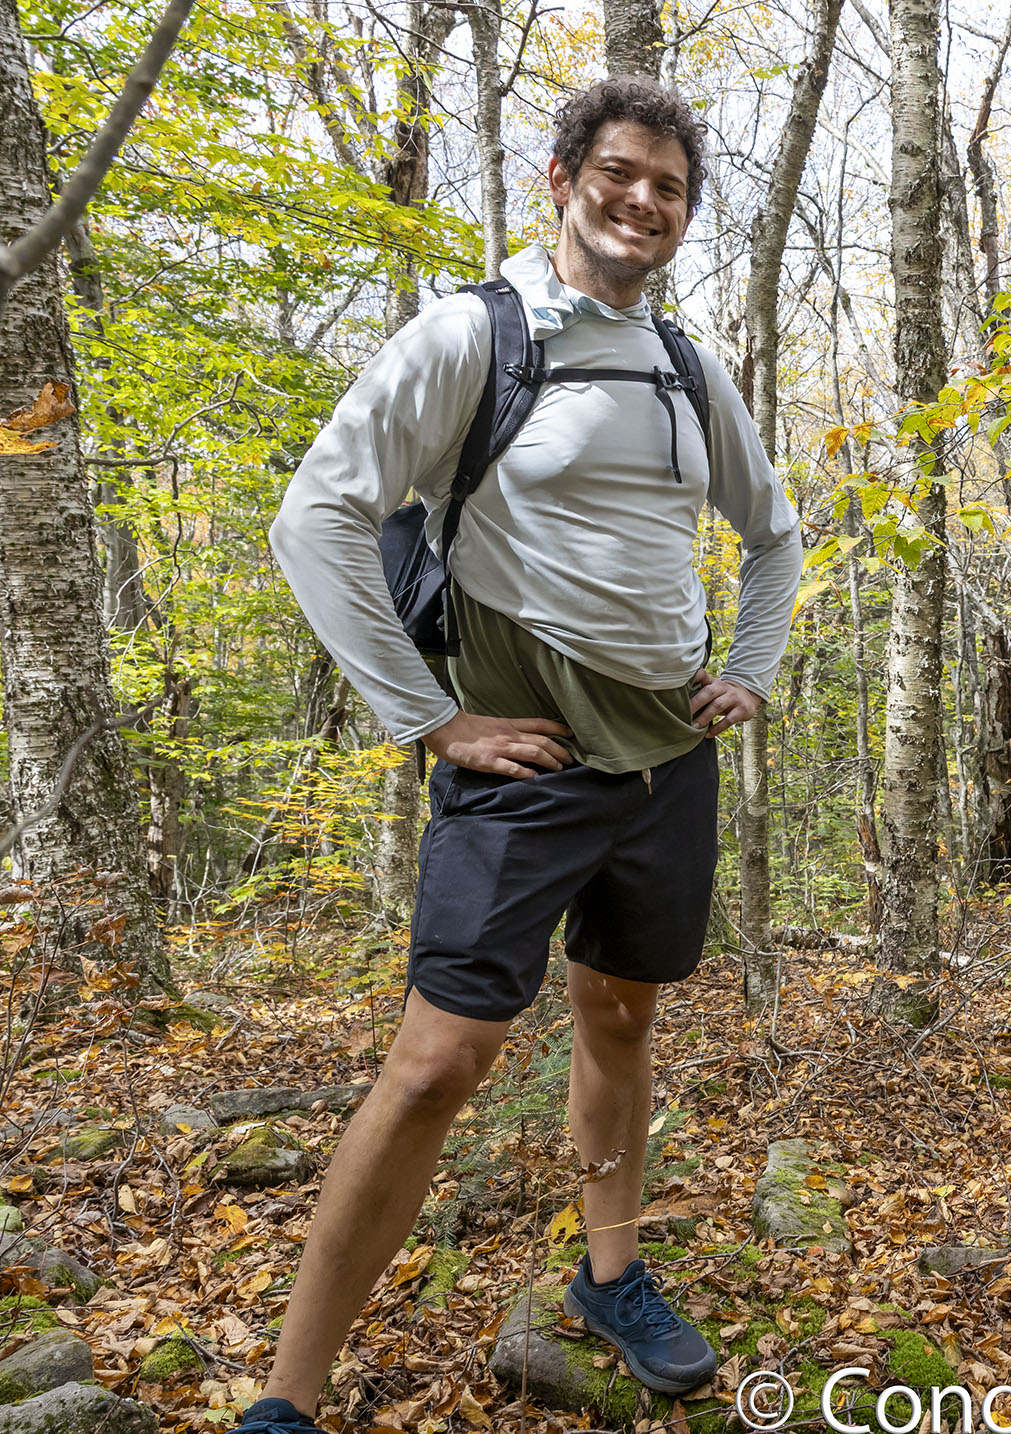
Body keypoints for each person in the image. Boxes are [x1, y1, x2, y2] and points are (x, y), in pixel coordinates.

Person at [246, 77, 801, 1433]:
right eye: (618, 174)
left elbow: (774, 534)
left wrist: (749, 666)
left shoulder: (685, 367)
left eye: (668, 188)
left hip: (667, 765)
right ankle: (287, 1399)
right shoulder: (471, 335)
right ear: (560, 178)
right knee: (436, 1064)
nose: (642, 202)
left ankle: (609, 1277)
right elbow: (316, 514)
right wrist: (428, 719)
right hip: (520, 767)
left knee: (621, 1017)